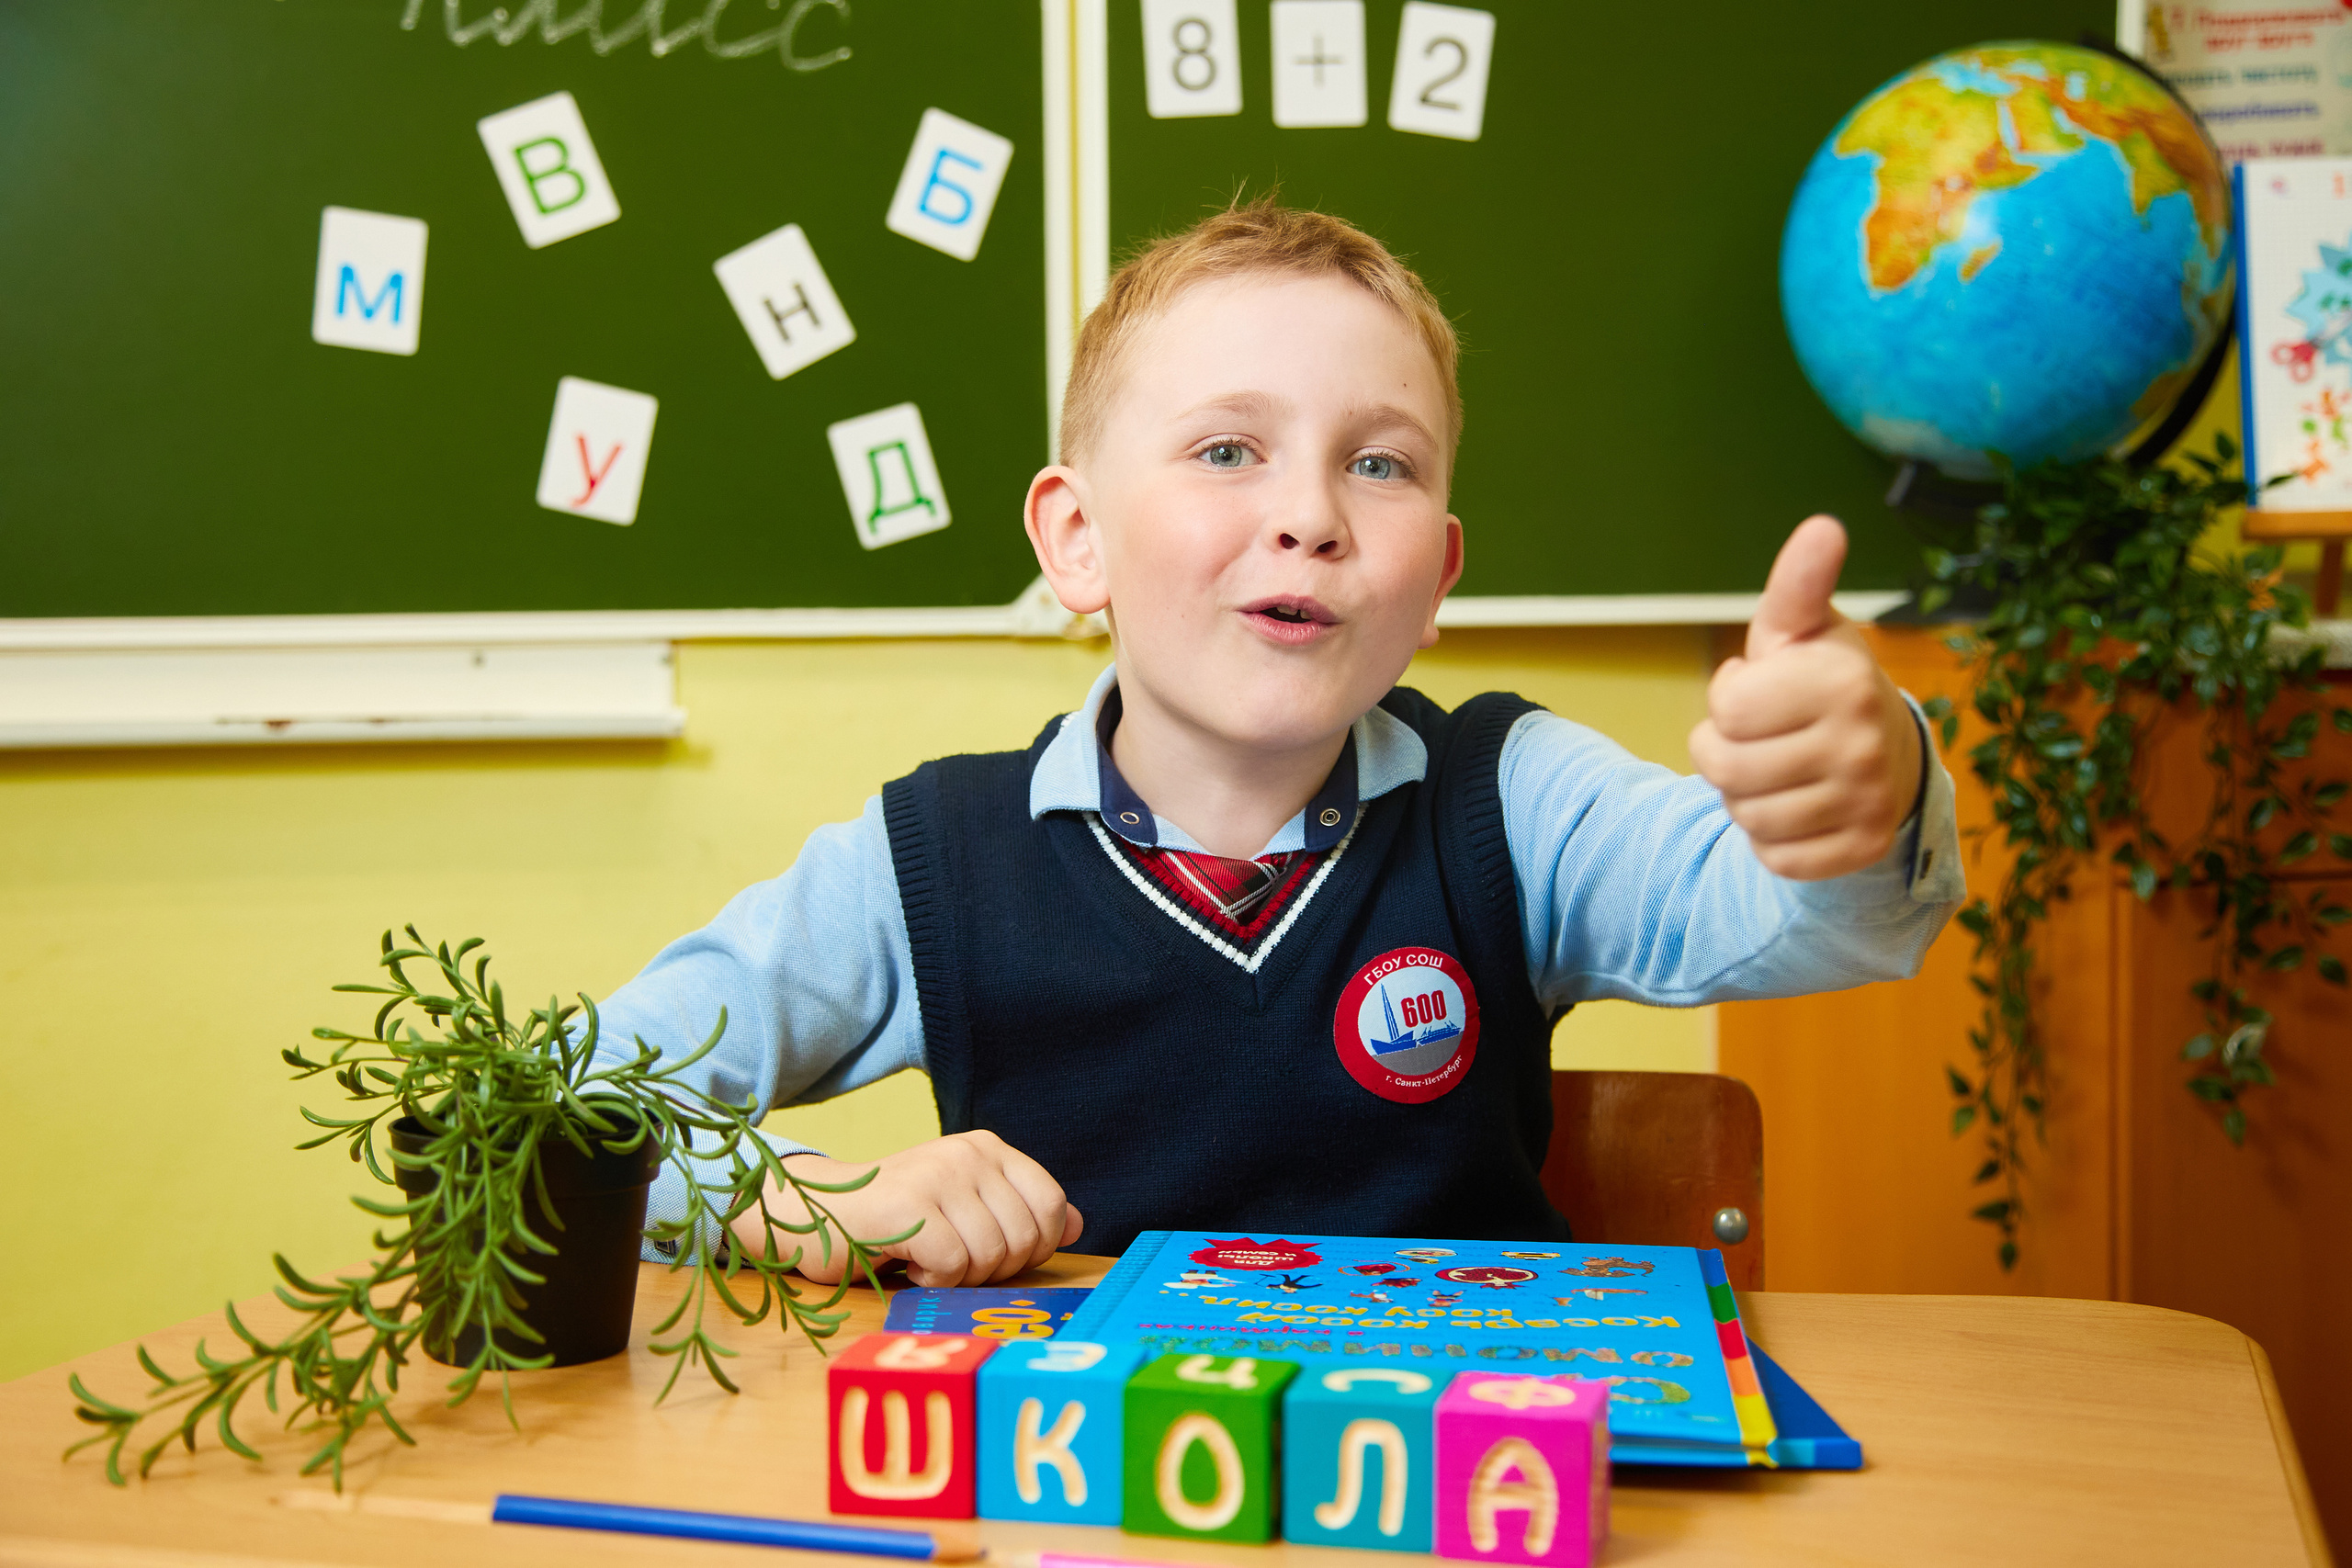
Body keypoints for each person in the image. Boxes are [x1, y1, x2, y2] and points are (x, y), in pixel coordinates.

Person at [593, 200, 1963, 1284]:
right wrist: (809, 1199)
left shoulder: (1513, 801)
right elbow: (561, 1105)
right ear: (1077, 539)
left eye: (1381, 463)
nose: (1312, 514)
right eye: (1227, 450)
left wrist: (1869, 786)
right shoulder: (930, 863)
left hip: (1456, 1486)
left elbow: (1814, 919)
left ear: (1437, 580)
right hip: (1084, 1498)